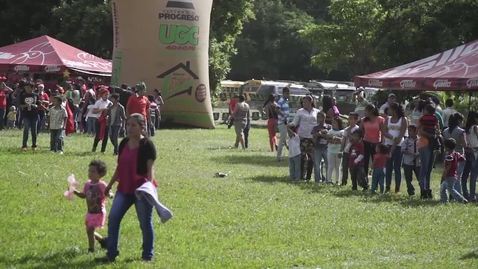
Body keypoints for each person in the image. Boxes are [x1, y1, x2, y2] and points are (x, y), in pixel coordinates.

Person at [97, 113, 157, 263]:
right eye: (128, 124)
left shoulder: (147, 145)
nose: (129, 128)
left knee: (144, 223)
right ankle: (111, 253)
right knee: (114, 218)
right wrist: (109, 185)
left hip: (141, 191)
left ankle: (147, 255)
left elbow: (151, 170)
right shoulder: (124, 143)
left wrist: (148, 189)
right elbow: (120, 167)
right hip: (124, 188)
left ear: (142, 127)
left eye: (133, 125)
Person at [73, 160, 110, 252]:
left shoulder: (101, 185)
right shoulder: (87, 184)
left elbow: (108, 191)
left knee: (90, 231)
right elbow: (83, 195)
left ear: (100, 174)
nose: (90, 173)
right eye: (89, 171)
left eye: (93, 171)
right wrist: (75, 192)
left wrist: (110, 194)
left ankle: (91, 249)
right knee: (89, 231)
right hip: (90, 212)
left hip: (99, 212)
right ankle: (103, 241)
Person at [289, 96, 320, 181]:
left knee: (311, 158)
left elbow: (319, 123)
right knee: (302, 157)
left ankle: (308, 176)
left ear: (311, 102)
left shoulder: (317, 112)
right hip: (302, 137)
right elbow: (295, 122)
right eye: (303, 102)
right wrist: (289, 124)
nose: (304, 103)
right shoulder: (300, 111)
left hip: (312, 138)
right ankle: (301, 175)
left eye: (305, 101)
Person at [382, 102, 408, 193]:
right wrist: (392, 138)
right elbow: (384, 131)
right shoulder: (387, 119)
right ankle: (387, 187)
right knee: (388, 167)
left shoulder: (403, 119)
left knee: (397, 167)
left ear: (394, 110)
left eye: (389, 109)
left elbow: (400, 136)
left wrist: (394, 146)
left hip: (399, 146)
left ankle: (397, 188)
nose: (388, 111)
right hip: (388, 145)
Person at [442, 113, 467, 198]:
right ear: (459, 121)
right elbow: (464, 144)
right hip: (458, 156)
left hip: (448, 156)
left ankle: (450, 194)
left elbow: (444, 144)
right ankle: (458, 196)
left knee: (449, 176)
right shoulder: (461, 131)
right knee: (457, 177)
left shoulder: (445, 131)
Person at [360, 104, 385, 176]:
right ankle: (365, 180)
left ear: (371, 111)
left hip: (376, 144)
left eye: (366, 111)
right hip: (366, 143)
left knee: (376, 162)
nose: (364, 112)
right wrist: (361, 139)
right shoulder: (363, 120)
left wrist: (381, 142)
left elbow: (382, 131)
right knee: (365, 162)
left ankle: (375, 179)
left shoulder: (380, 119)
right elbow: (360, 130)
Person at [440, 138, 468, 203]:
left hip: (450, 175)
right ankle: (444, 200)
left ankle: (461, 199)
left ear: (447, 147)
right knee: (443, 188)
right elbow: (463, 159)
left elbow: (448, 167)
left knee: (450, 189)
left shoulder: (449, 156)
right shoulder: (456, 154)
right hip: (454, 174)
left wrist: (444, 175)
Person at [20, 81, 42, 151]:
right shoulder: (23, 95)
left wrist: (37, 105)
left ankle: (34, 145)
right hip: (26, 115)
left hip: (34, 115)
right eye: (26, 87)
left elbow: (39, 104)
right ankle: (24, 145)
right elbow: (20, 105)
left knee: (34, 131)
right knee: (26, 130)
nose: (27, 89)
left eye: (28, 87)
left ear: (32, 88)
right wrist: (25, 105)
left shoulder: (36, 95)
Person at [339, 112, 360, 186]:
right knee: (344, 167)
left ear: (356, 120)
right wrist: (341, 150)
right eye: (349, 119)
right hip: (346, 151)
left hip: (354, 152)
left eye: (351, 119)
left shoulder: (357, 129)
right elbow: (343, 140)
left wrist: (349, 133)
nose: (349, 121)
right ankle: (343, 181)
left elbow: (353, 140)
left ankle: (354, 183)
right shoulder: (346, 129)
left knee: (353, 168)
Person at [462, 111, 478, 202]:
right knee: (473, 175)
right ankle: (472, 195)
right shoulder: (475, 127)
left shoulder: (465, 129)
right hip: (475, 152)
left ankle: (465, 193)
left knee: (465, 175)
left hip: (468, 152)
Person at [311, 112, 331, 183]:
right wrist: (319, 133)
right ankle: (318, 179)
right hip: (317, 147)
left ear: (324, 118)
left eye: (319, 117)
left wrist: (323, 135)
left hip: (327, 148)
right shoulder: (315, 128)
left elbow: (330, 136)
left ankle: (329, 179)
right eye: (317, 117)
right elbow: (313, 136)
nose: (318, 118)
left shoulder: (329, 127)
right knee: (317, 164)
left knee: (328, 164)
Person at [401, 125, 421, 196]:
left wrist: (419, 153)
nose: (409, 132)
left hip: (418, 163)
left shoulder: (420, 140)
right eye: (408, 130)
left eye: (411, 131)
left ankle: (423, 191)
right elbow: (403, 150)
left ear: (416, 131)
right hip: (408, 162)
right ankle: (411, 192)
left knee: (420, 178)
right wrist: (412, 154)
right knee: (408, 179)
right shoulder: (406, 140)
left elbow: (422, 149)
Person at [92, 88, 112, 153]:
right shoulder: (98, 102)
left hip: (106, 121)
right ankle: (94, 146)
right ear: (102, 95)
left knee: (106, 136)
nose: (107, 96)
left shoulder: (110, 103)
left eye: (108, 95)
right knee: (98, 135)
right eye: (106, 94)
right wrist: (101, 110)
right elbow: (93, 111)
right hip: (98, 120)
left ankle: (103, 150)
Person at [326, 117, 344, 185]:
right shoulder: (330, 131)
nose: (333, 124)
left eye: (334, 123)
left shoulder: (342, 132)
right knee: (330, 166)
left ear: (339, 123)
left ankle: (337, 181)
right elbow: (328, 139)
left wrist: (335, 139)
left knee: (338, 167)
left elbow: (342, 140)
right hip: (330, 151)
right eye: (332, 122)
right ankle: (329, 180)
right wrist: (335, 140)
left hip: (339, 151)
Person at [276, 87, 290, 161]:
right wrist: (283, 115)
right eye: (287, 93)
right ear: (284, 93)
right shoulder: (281, 100)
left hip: (286, 122)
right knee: (282, 140)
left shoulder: (286, 101)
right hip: (282, 122)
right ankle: (279, 156)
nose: (288, 95)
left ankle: (281, 155)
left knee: (284, 139)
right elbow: (277, 109)